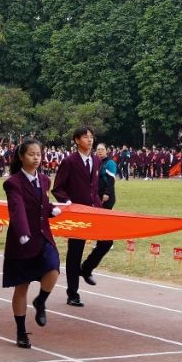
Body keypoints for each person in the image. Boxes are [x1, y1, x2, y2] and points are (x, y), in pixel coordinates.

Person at [3, 138, 61, 349]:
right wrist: (22, 232)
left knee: (53, 268)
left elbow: (40, 202)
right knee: (22, 287)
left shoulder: (44, 180)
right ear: (21, 157)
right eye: (31, 154)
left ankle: (41, 301)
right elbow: (17, 208)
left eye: (38, 154)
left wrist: (51, 208)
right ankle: (21, 331)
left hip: (43, 236)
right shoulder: (13, 183)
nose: (36, 158)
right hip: (22, 240)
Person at [52, 126, 101, 307]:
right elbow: (58, 188)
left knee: (106, 241)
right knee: (75, 252)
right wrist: (68, 203)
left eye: (91, 136)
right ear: (77, 140)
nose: (90, 140)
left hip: (94, 210)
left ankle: (86, 268)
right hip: (76, 213)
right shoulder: (69, 161)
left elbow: (93, 186)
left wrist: (99, 202)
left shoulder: (96, 160)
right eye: (86, 137)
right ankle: (72, 294)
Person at [78, 142, 118, 280]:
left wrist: (107, 193)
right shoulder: (95, 162)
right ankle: (101, 241)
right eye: (98, 149)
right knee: (98, 222)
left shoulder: (110, 163)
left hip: (106, 197)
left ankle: (105, 240)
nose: (100, 151)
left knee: (104, 222)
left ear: (107, 151)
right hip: (96, 198)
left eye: (102, 149)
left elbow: (111, 181)